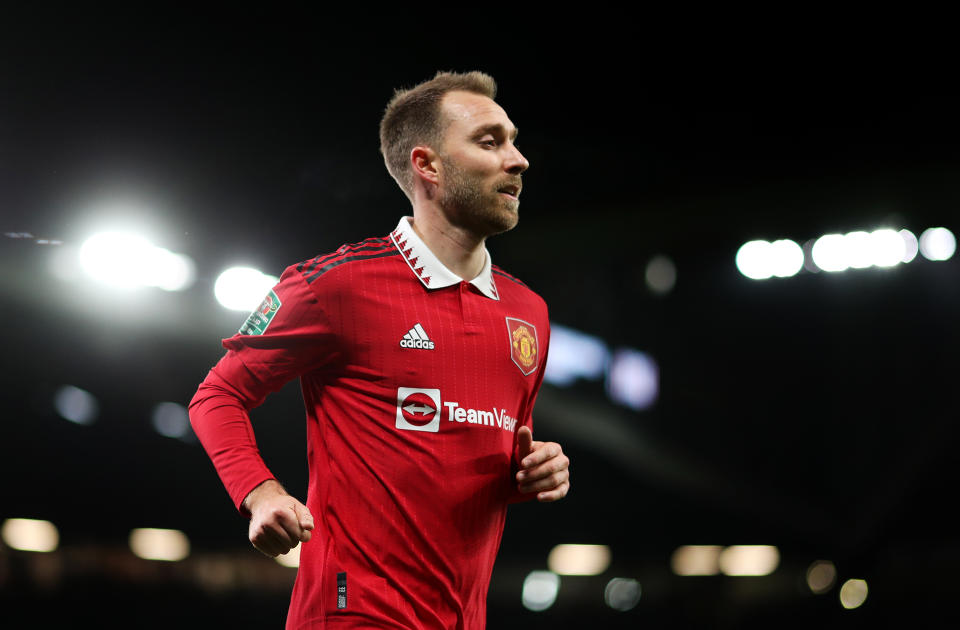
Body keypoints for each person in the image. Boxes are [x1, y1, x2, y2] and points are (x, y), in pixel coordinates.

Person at [188, 70, 570, 629]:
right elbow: (217, 394)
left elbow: (492, 454)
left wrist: (535, 472)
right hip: (352, 614)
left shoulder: (527, 312)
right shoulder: (334, 285)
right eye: (490, 142)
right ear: (428, 165)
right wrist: (260, 492)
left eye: (513, 141)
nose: (518, 160)